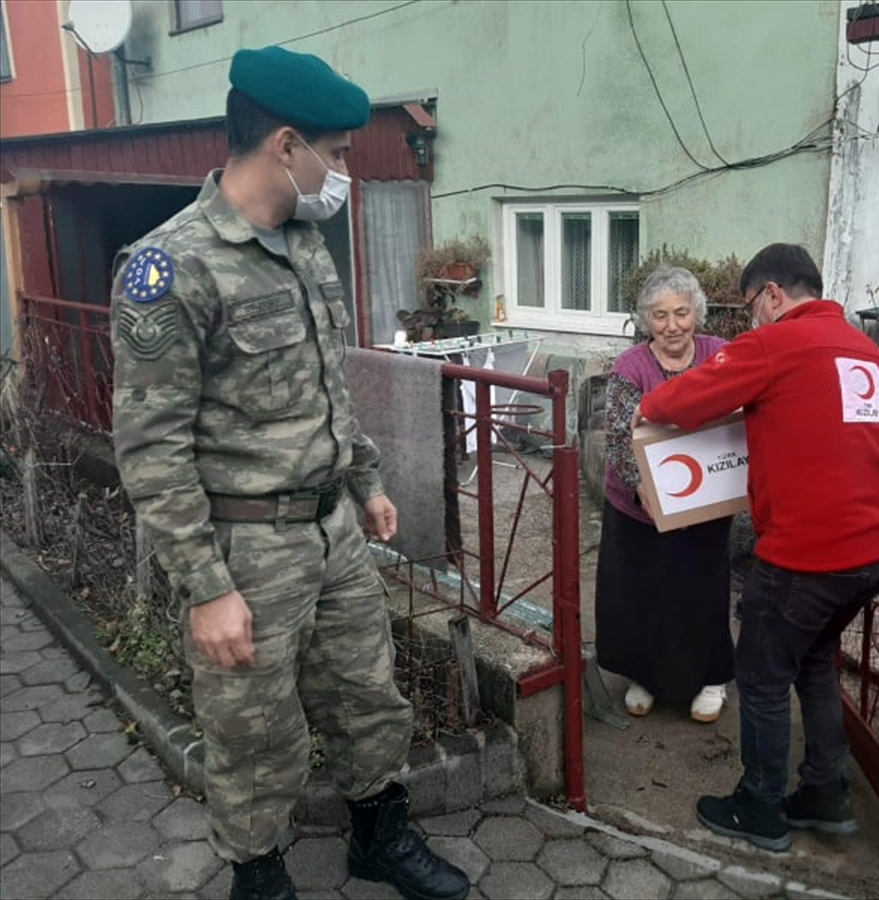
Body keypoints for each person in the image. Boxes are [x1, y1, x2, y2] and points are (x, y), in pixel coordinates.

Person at [109, 46, 469, 900]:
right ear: (284, 145)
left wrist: (367, 481)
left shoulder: (304, 243)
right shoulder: (170, 267)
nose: (340, 170)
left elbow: (326, 383)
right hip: (243, 547)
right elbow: (152, 449)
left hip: (329, 527)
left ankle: (378, 837)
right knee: (253, 732)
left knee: (365, 694)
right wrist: (205, 587)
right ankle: (260, 876)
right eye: (336, 154)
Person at [635, 244, 879, 852]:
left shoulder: (775, 343)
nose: (751, 317)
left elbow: (670, 401)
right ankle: (824, 795)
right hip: (877, 550)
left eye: (751, 304)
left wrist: (653, 405)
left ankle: (758, 806)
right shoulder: (868, 350)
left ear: (773, 295)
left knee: (759, 676)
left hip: (809, 552)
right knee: (812, 662)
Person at [595, 266, 735, 724]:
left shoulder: (720, 355)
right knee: (645, 592)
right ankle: (646, 677)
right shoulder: (631, 365)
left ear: (697, 312)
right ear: (646, 320)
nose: (672, 325)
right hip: (641, 507)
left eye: (681, 312)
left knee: (702, 590)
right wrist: (647, 493)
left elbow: (743, 412)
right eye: (660, 315)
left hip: (705, 502)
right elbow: (618, 436)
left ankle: (711, 678)